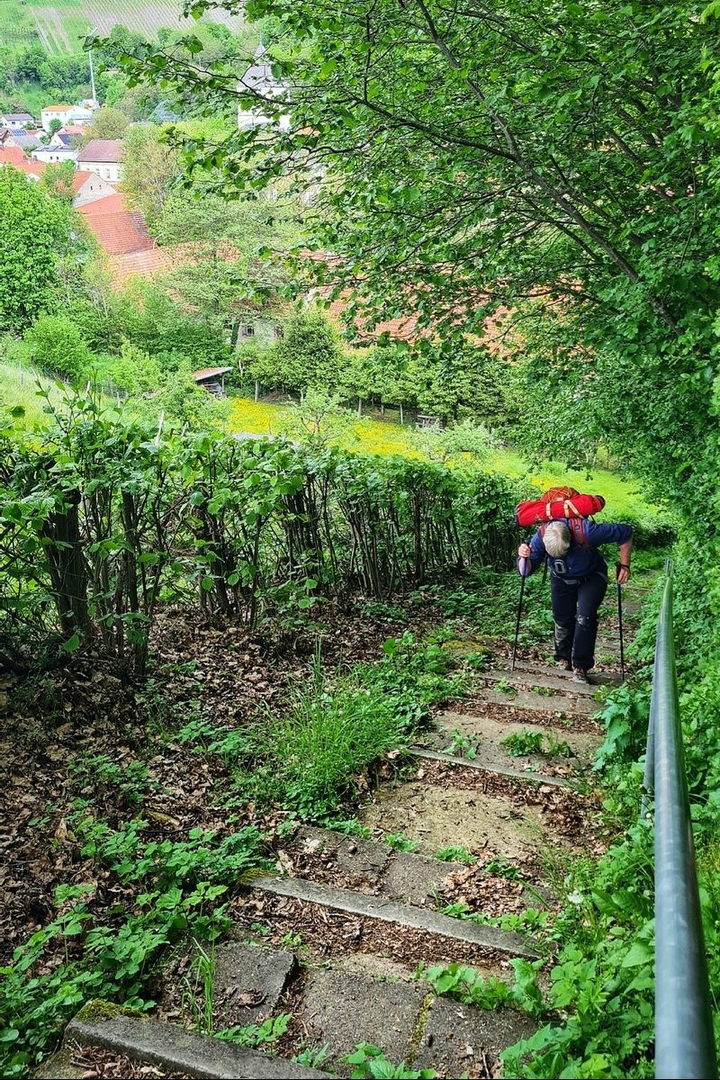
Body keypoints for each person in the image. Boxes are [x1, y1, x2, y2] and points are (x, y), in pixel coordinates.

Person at [517, 517, 633, 683]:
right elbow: (525, 571)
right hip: (561, 577)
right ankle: (564, 658)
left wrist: (625, 565)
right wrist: (524, 557)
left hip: (592, 576)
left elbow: (626, 532)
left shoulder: (588, 531)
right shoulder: (541, 536)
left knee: (585, 617)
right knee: (562, 619)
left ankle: (580, 666)